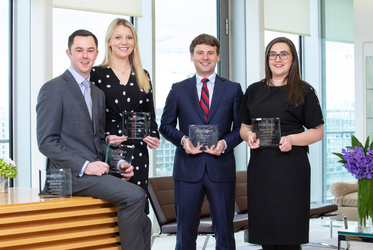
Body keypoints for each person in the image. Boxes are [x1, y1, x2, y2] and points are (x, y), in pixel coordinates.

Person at [36, 29, 151, 250]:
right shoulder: (53, 89)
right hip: (71, 176)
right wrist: (85, 166)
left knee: (144, 222)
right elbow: (46, 142)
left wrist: (118, 163)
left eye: (90, 50)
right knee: (136, 195)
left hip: (95, 172)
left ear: (97, 53)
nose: (85, 56)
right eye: (79, 50)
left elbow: (99, 141)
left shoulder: (97, 93)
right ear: (69, 53)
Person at [238, 37, 324, 250]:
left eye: (283, 54)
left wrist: (292, 139)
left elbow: (318, 132)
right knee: (266, 236)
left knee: (289, 236)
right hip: (261, 170)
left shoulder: (305, 91)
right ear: (267, 59)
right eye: (273, 54)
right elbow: (243, 127)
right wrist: (248, 136)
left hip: (291, 170)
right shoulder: (253, 90)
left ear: (292, 58)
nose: (278, 59)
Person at [159, 34, 243, 250]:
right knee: (185, 236)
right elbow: (165, 126)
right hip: (187, 171)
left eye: (210, 53)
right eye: (200, 53)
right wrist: (183, 140)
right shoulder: (178, 89)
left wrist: (224, 144)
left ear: (218, 56)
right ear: (192, 56)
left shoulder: (233, 89)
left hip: (221, 170)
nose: (205, 57)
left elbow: (241, 128)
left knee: (225, 235)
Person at [90, 18, 160, 214]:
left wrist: (154, 136)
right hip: (108, 153)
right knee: (108, 212)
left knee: (137, 212)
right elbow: (89, 118)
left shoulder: (143, 74)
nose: (124, 42)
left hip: (138, 152)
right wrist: (104, 137)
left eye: (129, 37)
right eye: (118, 37)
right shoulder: (96, 75)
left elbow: (150, 114)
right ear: (109, 41)